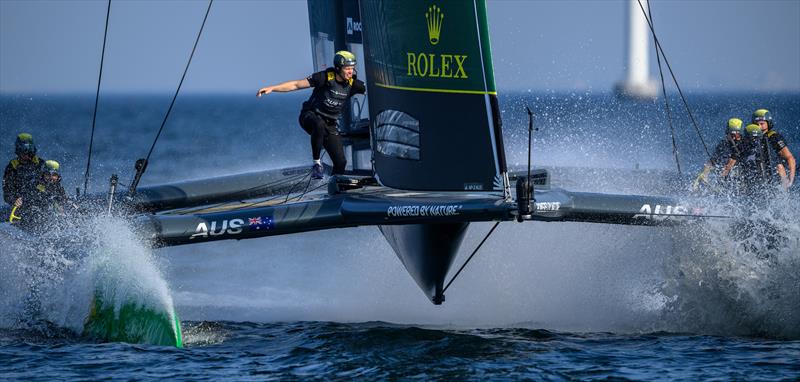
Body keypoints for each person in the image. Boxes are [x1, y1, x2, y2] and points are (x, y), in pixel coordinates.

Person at [256, 50, 366, 179]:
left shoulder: (353, 84)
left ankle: (335, 187)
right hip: (309, 116)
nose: (350, 72)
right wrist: (272, 88)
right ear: (338, 68)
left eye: (352, 68)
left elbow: (372, 89)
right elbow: (296, 85)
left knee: (341, 162)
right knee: (318, 125)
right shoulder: (324, 77)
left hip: (330, 124)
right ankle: (316, 164)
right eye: (347, 68)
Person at [14, 160, 72, 234]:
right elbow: (22, 197)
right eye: (48, 174)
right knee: (37, 214)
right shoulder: (34, 184)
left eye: (54, 174)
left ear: (58, 176)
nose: (51, 177)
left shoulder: (58, 187)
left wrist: (68, 206)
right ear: (43, 174)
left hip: (48, 215)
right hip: (29, 215)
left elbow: (63, 201)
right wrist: (18, 200)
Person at [692, 118, 743, 191]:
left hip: (739, 176)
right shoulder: (723, 144)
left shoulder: (744, 144)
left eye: (737, 135)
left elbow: (735, 158)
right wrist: (704, 173)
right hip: (724, 176)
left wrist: (726, 170)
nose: (734, 138)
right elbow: (713, 160)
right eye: (732, 135)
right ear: (727, 134)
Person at [752, 109, 795, 191]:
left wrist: (790, 180)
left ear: (768, 123)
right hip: (759, 178)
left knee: (779, 165)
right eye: (756, 124)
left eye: (762, 124)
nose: (759, 126)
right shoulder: (751, 139)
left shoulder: (774, 137)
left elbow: (790, 158)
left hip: (776, 179)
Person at [3, 133, 44, 208]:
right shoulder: (12, 167)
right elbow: (7, 192)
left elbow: (54, 185)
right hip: (21, 206)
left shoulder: (41, 164)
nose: (25, 155)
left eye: (28, 152)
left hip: (41, 201)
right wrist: (14, 200)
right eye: (22, 152)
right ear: (18, 151)